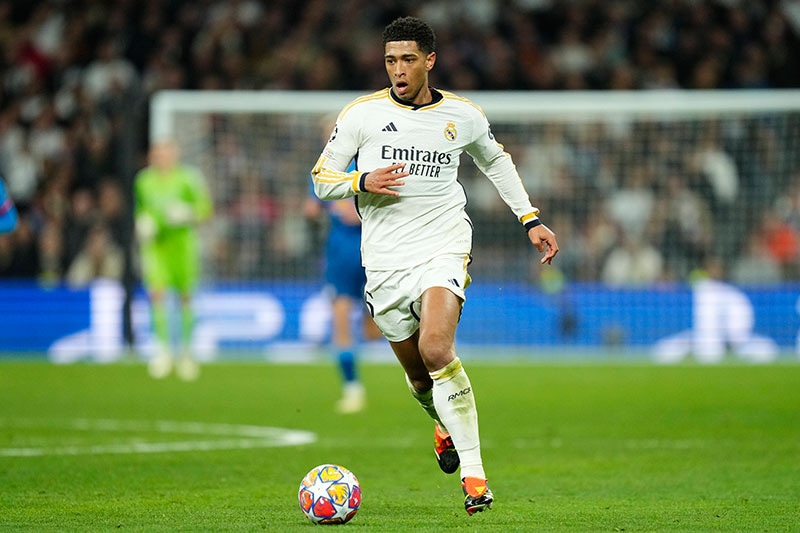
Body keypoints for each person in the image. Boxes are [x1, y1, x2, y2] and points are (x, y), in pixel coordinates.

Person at [310, 16, 558, 516]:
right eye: (390, 61)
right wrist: (361, 181)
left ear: (430, 61)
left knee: (437, 348)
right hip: (384, 260)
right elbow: (321, 179)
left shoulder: (462, 116)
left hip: (443, 243)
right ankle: (441, 421)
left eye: (407, 59)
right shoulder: (362, 115)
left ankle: (475, 477)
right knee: (421, 379)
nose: (398, 70)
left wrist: (529, 218)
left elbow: (496, 161)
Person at [305, 158, 383, 414]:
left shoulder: (374, 161)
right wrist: (322, 209)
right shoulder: (326, 168)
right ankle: (352, 389)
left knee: (373, 332)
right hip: (341, 253)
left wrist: (357, 212)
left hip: (373, 251)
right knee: (340, 316)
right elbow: (311, 208)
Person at [134, 140, 213, 380]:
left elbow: (205, 209)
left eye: (167, 153)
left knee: (185, 297)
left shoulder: (189, 179)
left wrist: (187, 213)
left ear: (175, 154)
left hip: (183, 247)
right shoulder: (143, 181)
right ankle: (163, 352)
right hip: (157, 248)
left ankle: (186, 354)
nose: (163, 157)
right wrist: (143, 222)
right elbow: (140, 209)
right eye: (159, 153)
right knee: (157, 295)